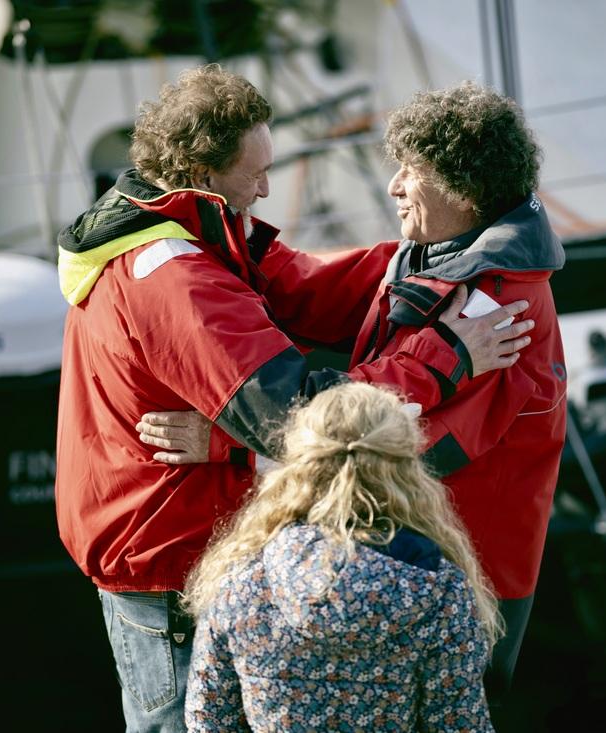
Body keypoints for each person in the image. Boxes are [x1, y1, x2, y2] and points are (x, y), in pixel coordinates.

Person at [54, 65, 533, 732]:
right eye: (255, 172)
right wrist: (447, 355)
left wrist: (435, 257)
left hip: (175, 552)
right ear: (202, 167)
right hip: (167, 573)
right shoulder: (177, 277)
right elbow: (305, 419)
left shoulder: (183, 226)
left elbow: (306, 288)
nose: (267, 187)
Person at [182, 382, 500, 732]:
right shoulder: (441, 593)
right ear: (406, 469)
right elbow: (460, 726)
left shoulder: (240, 586)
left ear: (297, 464)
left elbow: (208, 723)